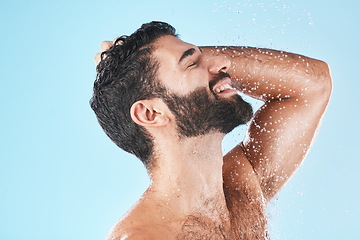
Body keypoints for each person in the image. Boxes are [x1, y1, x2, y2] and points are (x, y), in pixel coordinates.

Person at [90, 21, 332, 240]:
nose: (222, 62)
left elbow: (313, 84)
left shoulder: (243, 187)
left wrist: (133, 67)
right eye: (191, 63)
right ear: (150, 114)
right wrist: (135, 71)